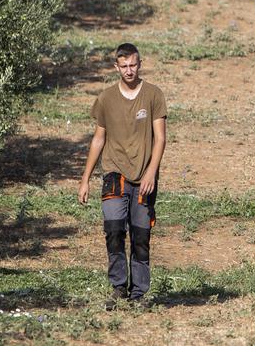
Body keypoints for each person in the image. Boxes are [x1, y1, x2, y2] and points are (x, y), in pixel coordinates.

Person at [77, 43, 167, 309]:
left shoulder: (153, 95)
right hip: (114, 174)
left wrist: (151, 171)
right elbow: (98, 138)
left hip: (143, 178)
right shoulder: (106, 98)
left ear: (140, 64)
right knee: (114, 231)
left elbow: (161, 138)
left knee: (141, 236)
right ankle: (118, 288)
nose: (129, 70)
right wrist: (85, 179)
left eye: (133, 65)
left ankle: (139, 293)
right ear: (116, 67)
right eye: (124, 65)